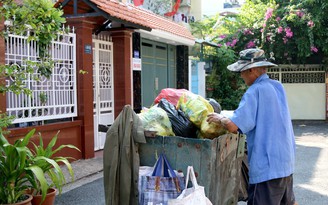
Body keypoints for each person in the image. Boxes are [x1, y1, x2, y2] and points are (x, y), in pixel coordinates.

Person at [207, 48, 296, 205]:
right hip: (285, 164)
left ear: (253, 70)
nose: (241, 75)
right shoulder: (277, 87)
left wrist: (220, 118)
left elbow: (234, 126)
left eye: (243, 71)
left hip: (267, 169)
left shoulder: (255, 91)